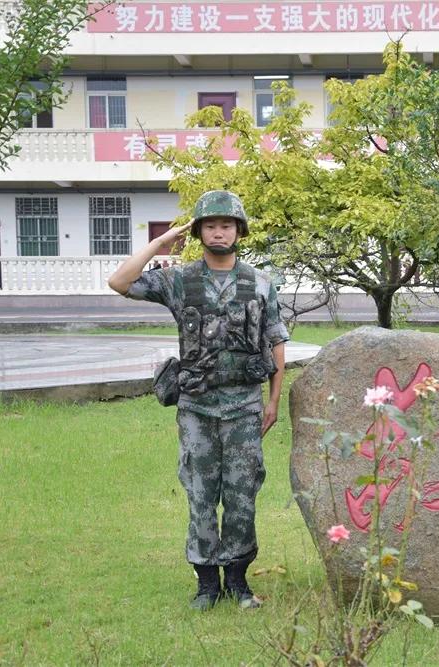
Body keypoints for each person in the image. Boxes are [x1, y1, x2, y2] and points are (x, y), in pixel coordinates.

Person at [107, 190, 288, 610]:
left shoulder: (260, 284)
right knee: (201, 493)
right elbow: (119, 282)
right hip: (197, 407)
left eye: (227, 225)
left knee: (242, 495)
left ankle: (239, 582)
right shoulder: (178, 280)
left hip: (244, 405)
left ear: (238, 231)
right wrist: (160, 243)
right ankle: (207, 584)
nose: (219, 232)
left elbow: (275, 343)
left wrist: (273, 402)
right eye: (210, 225)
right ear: (199, 231)